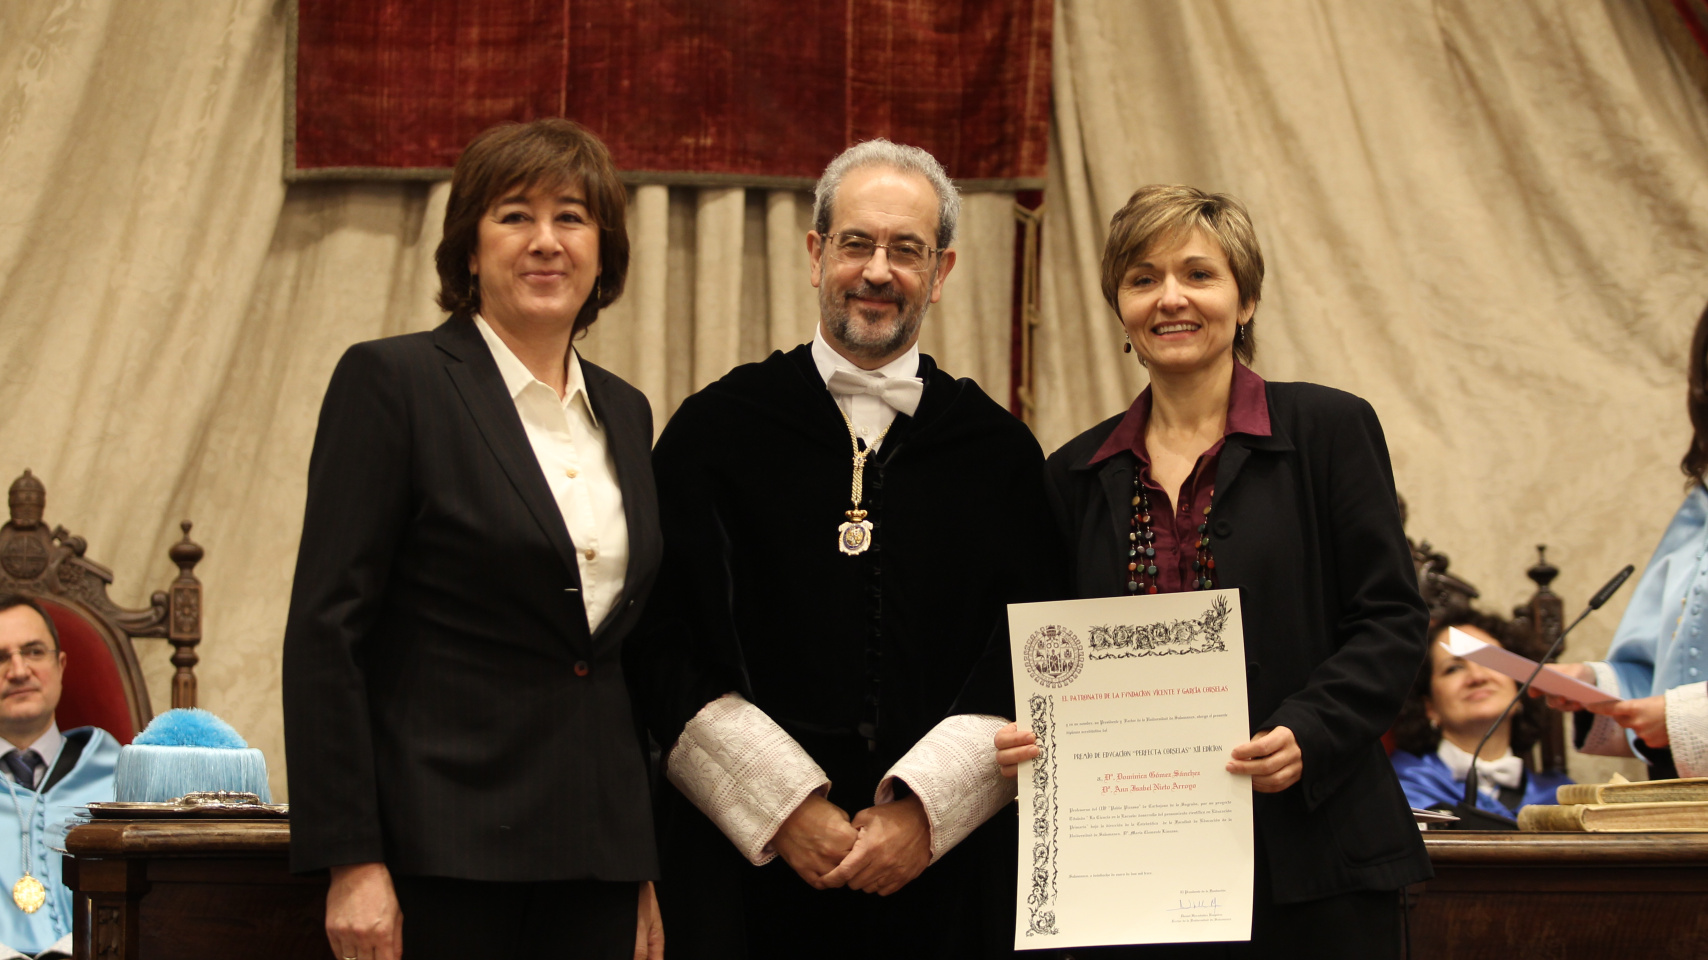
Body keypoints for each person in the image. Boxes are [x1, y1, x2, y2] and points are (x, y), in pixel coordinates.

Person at [624, 140, 1062, 959]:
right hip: (742, 870)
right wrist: (783, 808)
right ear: (817, 251)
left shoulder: (999, 454)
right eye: (857, 242)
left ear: (942, 271)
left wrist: (923, 815)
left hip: (941, 875)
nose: (877, 270)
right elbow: (658, 642)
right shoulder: (715, 430)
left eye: (907, 250)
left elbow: (1030, 655)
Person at [995, 185, 1432, 958]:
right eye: (1142, 278)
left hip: (1316, 861)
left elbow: (1392, 621)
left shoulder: (1330, 430)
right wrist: (1030, 733)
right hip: (1133, 873)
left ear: (1247, 298)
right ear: (1120, 307)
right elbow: (1047, 660)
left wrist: (1310, 728)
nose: (1170, 298)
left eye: (1199, 274)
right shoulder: (1073, 473)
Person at [282, 119, 664, 960]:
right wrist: (353, 859)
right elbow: (325, 635)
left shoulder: (629, 414)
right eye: (513, 215)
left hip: (594, 866)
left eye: (571, 217)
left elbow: (615, 663)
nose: (545, 242)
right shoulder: (393, 382)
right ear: (469, 247)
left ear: (604, 252)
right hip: (437, 859)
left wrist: (638, 862)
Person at [1546, 300, 1708, 780]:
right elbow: (1668, 677)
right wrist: (1597, 686)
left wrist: (1687, 718)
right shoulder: (1698, 516)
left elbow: (1680, 709)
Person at [0, 595, 118, 960]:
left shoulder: (121, 776)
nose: (18, 670)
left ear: (61, 665)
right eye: (0, 657)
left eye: (34, 651)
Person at [1389, 610, 1571, 817]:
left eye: (1490, 661)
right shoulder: (1398, 789)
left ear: (1520, 689)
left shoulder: (1561, 798)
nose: (1477, 677)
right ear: (1429, 707)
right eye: (1454, 668)